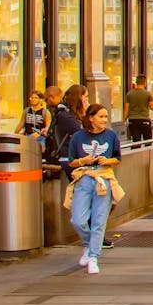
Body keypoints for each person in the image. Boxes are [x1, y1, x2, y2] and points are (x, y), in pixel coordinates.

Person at [66, 104, 122, 274]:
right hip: (84, 178)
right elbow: (71, 161)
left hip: (104, 179)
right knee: (78, 219)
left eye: (106, 117)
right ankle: (88, 244)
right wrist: (84, 161)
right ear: (91, 118)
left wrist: (108, 161)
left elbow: (117, 158)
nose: (104, 120)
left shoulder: (111, 135)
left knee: (99, 220)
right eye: (101, 116)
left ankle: (93, 257)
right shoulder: (78, 137)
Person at [124, 75, 153, 143]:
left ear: (136, 83)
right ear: (145, 83)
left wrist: (124, 120)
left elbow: (126, 109)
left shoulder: (129, 94)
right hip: (144, 119)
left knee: (136, 140)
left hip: (133, 120)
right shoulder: (148, 94)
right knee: (148, 140)